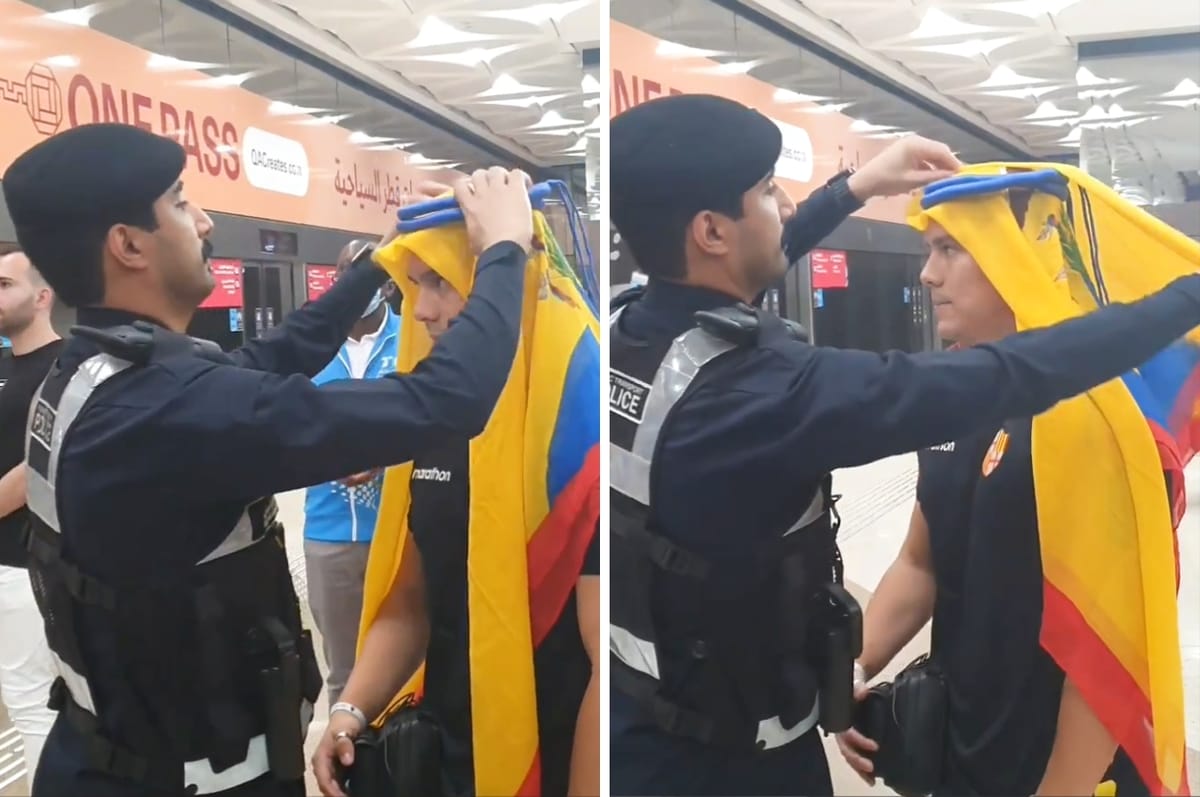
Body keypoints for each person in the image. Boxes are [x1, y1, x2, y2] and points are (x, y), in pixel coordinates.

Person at [607, 92, 1200, 797]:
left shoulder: (632, 330)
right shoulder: (761, 393)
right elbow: (1009, 378)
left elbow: (1101, 663)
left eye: (950, 249)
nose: (925, 274)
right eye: (768, 192)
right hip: (734, 763)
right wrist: (1187, 298)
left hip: (647, 726)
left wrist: (855, 188)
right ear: (710, 231)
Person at [1, 122, 535, 797]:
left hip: (108, 752)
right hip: (192, 779)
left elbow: (274, 354)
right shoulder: (168, 411)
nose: (204, 219)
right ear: (128, 243)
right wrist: (505, 248)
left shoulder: (94, 374)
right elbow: (445, 401)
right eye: (180, 201)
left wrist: (382, 260)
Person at [833, 215, 1159, 796]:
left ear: (1022, 256)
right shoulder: (952, 397)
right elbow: (920, 562)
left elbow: (1110, 654)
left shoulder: (1095, 418)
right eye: (928, 251)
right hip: (963, 747)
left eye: (951, 248)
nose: (929, 274)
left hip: (1065, 767)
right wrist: (854, 668)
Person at [311, 192, 601, 797]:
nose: (422, 310)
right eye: (415, 286)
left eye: (441, 283)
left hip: (552, 747)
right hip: (450, 746)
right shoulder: (438, 419)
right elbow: (414, 597)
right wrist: (350, 711)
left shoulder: (576, 425)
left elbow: (604, 659)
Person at [302, 239, 399, 707]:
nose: (353, 279)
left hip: (399, 529)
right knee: (344, 672)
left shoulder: (414, 339)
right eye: (345, 270)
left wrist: (387, 455)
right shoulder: (310, 348)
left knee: (404, 663)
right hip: (329, 533)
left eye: (366, 270)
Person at [0, 247, 62, 788]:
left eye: (3, 285)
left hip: (27, 566)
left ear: (42, 297)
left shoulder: (66, 369)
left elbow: (38, 464)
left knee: (36, 702)